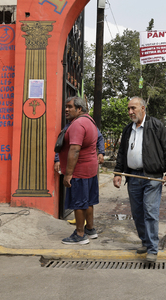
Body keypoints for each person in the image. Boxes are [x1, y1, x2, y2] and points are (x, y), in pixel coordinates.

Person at [113, 97, 166, 263]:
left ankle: (153, 249)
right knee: (137, 213)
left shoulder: (156, 125)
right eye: (129, 109)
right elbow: (122, 152)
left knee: (150, 211)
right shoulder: (128, 130)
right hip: (133, 177)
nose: (130, 112)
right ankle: (146, 242)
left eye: (133, 108)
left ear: (143, 108)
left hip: (152, 177)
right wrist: (118, 172)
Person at [59, 96, 99, 245]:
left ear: (79, 109)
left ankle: (80, 234)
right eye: (66, 107)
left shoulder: (78, 124)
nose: (66, 110)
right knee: (88, 201)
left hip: (80, 171)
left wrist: (68, 174)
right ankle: (90, 229)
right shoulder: (90, 121)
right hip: (90, 169)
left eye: (70, 107)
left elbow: (75, 149)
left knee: (79, 203)